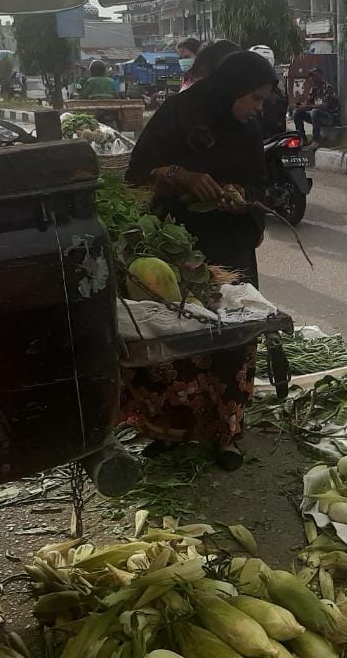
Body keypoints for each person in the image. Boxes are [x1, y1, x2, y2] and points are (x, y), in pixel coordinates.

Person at [123, 50, 278, 468]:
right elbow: (137, 175)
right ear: (233, 88)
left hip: (230, 249)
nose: (258, 109)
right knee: (176, 336)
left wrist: (240, 199)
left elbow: (260, 186)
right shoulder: (177, 114)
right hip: (175, 246)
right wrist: (180, 177)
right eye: (255, 99)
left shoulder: (248, 129)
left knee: (232, 337)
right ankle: (172, 430)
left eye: (263, 102)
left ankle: (226, 434)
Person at [292, 69, 338, 139]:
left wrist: (310, 106)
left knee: (315, 112)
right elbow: (307, 102)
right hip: (315, 115)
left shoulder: (327, 87)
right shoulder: (313, 88)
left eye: (314, 76)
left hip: (329, 117)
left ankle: (316, 139)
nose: (312, 79)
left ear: (320, 76)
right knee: (296, 113)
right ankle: (301, 138)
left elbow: (325, 106)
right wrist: (300, 106)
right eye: (311, 77)